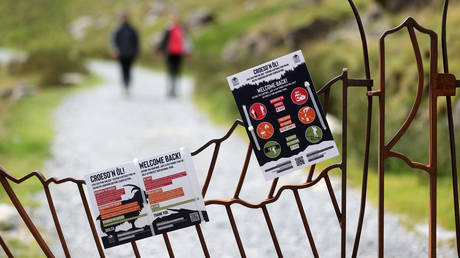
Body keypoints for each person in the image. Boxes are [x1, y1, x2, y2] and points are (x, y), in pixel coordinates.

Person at [156, 11, 192, 98]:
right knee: (170, 70)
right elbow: (163, 40)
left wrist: (189, 51)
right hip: (170, 52)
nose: (175, 18)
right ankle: (170, 89)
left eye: (176, 17)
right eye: (174, 17)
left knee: (177, 71)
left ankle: (175, 89)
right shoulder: (168, 28)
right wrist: (159, 49)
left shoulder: (181, 28)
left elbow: (186, 40)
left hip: (179, 52)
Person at [111, 13, 139, 96]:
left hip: (130, 53)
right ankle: (124, 86)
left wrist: (136, 51)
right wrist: (115, 49)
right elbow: (114, 41)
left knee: (129, 70)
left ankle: (128, 85)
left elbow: (136, 41)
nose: (124, 19)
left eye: (125, 18)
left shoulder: (132, 29)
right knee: (123, 70)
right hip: (121, 54)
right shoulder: (118, 29)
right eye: (123, 18)